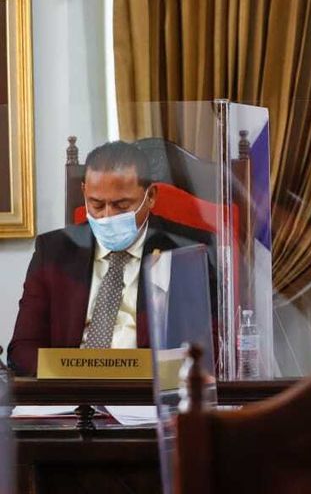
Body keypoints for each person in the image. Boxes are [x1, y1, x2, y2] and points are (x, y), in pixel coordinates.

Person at [9, 141, 215, 375]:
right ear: (84, 192)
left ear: (150, 196)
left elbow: (206, 347)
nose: (108, 216)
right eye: (97, 205)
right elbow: (22, 349)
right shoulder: (54, 251)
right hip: (71, 386)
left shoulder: (186, 251)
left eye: (121, 205)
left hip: (147, 388)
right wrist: (68, 375)